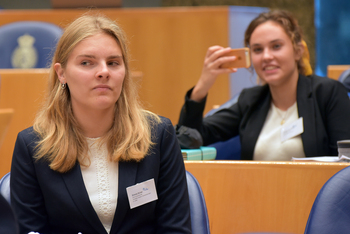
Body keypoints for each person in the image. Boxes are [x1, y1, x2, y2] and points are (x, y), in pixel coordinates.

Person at [10, 14, 191, 234]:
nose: (104, 72)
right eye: (87, 62)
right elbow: (30, 228)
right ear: (61, 73)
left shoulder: (158, 135)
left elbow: (176, 228)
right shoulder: (32, 146)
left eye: (113, 63)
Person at [178, 10, 350, 160]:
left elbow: (344, 167)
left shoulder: (328, 92)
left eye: (276, 46)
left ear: (298, 51)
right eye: (258, 49)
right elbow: (189, 138)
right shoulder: (251, 100)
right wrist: (202, 87)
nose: (266, 56)